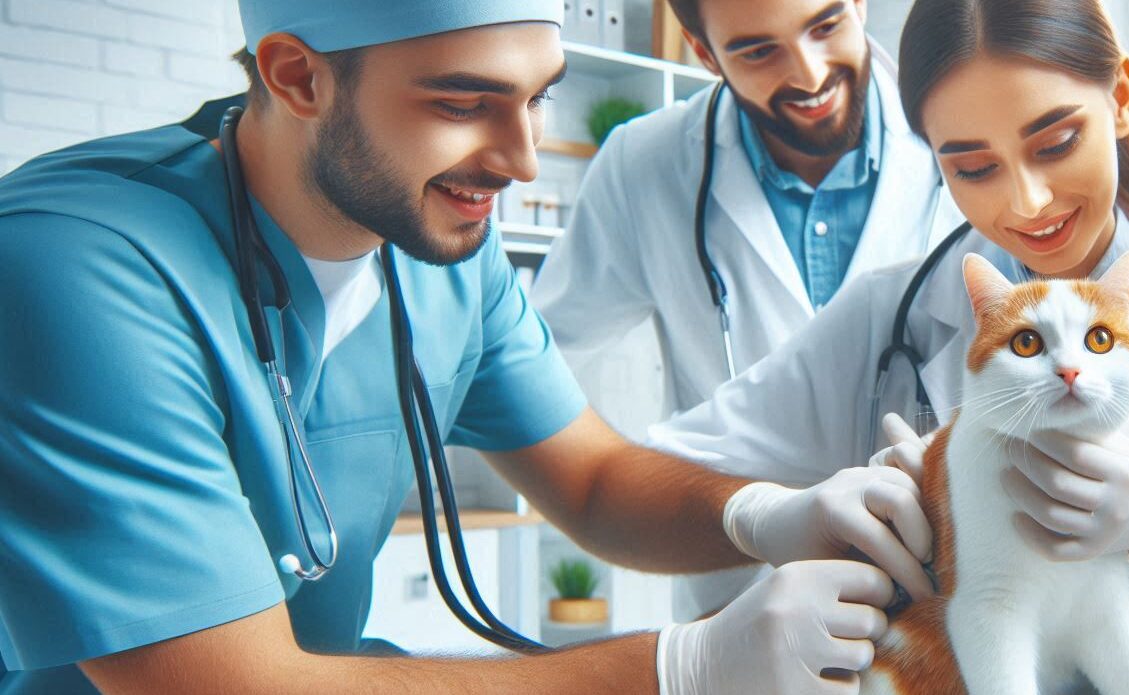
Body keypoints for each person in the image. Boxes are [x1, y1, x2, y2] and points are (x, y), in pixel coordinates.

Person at [0, 3, 941, 693]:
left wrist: (766, 514)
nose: (523, 158)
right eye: (465, 102)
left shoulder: (441, 246)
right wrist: (682, 665)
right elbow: (227, 685)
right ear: (296, 76)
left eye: (537, 98)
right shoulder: (72, 264)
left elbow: (595, 482)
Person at [646, 0, 1129, 691]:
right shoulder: (888, 313)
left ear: (1119, 96)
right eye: (973, 167)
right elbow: (637, 482)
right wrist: (776, 514)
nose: (1026, 202)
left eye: (1055, 143)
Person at [532, 0, 962, 620]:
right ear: (703, 52)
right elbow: (533, 359)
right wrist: (612, 480)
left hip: (942, 602)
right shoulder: (643, 166)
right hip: (742, 600)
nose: (810, 75)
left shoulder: (958, 130)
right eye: (759, 50)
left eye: (826, 24)